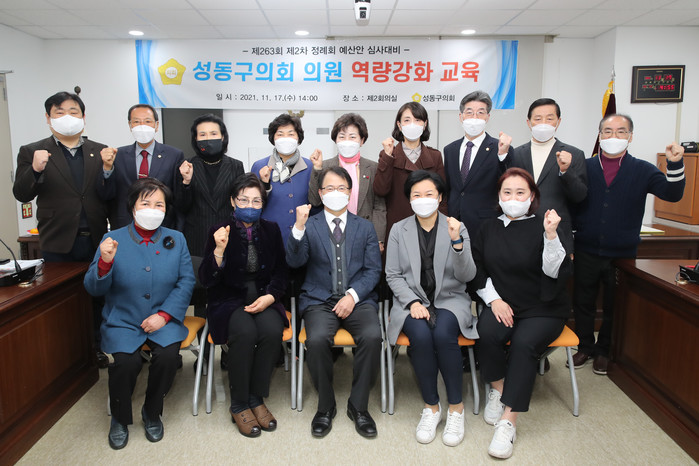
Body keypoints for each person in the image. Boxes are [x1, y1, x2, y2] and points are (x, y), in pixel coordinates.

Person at [83, 178, 195, 450]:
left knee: (167, 357)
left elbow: (186, 281)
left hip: (163, 317)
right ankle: (119, 419)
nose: (153, 209)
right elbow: (93, 288)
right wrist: (104, 263)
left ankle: (152, 412)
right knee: (125, 362)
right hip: (123, 318)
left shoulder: (176, 239)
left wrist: (164, 316)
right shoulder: (112, 239)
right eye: (146, 203)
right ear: (133, 207)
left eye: (159, 204)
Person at [571, 114, 685, 375]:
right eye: (608, 131)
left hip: (622, 254)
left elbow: (672, 194)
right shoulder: (584, 166)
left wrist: (675, 163)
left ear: (630, 137)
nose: (614, 137)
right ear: (600, 135)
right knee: (582, 302)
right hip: (586, 249)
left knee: (615, 305)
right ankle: (585, 347)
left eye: (621, 132)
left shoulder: (643, 169)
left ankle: (604, 351)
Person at [471, 167, 571, 459]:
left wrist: (551, 236)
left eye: (520, 193)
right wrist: (494, 300)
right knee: (487, 332)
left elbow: (554, 271)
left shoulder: (546, 225)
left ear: (532, 196)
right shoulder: (487, 228)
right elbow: (477, 270)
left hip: (543, 307)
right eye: (507, 192)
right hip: (503, 303)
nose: (513, 198)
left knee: (524, 343)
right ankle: (500, 389)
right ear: (498, 196)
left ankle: (509, 421)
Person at [13, 91, 109, 366]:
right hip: (58, 239)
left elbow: (108, 193)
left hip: (95, 237)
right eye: (59, 112)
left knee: (97, 296)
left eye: (73, 111)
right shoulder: (32, 151)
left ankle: (96, 347)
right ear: (48, 118)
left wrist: (108, 170)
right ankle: (66, 353)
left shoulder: (99, 150)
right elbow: (21, 194)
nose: (67, 117)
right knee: (62, 299)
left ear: (83, 117)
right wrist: (35, 169)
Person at [286, 166, 382, 439]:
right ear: (320, 193)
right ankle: (325, 406)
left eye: (341, 188)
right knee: (316, 340)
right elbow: (294, 262)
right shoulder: (309, 224)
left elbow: (373, 270)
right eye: (329, 188)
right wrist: (298, 227)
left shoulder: (365, 227)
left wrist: (353, 296)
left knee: (373, 336)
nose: (336, 193)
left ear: (350, 193)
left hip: (358, 300)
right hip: (319, 300)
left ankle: (358, 406)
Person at [385, 170, 477, 447]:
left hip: (449, 299)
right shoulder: (398, 230)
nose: (423, 199)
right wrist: (412, 302)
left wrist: (457, 243)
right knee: (421, 337)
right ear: (409, 199)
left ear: (439, 197)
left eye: (429, 194)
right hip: (410, 301)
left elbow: (467, 276)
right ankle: (431, 407)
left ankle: (456, 409)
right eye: (417, 195)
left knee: (444, 335)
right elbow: (392, 274)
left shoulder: (456, 227)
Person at [198, 174, 288, 438]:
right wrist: (218, 251)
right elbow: (206, 279)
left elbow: (281, 272)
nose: (250, 205)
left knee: (272, 331)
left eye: (256, 200)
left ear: (263, 204)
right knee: (246, 333)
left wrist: (271, 296)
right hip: (227, 300)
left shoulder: (271, 229)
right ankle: (238, 403)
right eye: (244, 200)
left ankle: (256, 397)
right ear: (232, 201)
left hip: (263, 296)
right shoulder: (219, 230)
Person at [504, 98, 587, 248]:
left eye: (549, 119)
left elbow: (579, 196)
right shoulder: (516, 154)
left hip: (557, 233)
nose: (543, 123)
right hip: (520, 232)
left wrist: (565, 171)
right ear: (529, 122)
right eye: (538, 119)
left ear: (558, 122)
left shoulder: (573, 154)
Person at [96, 103, 185, 230]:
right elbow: (107, 194)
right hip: (125, 225)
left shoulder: (174, 155)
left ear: (156, 125)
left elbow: (178, 198)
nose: (142, 126)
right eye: (137, 122)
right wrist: (107, 168)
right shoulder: (117, 155)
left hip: (162, 224)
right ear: (130, 125)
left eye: (147, 121)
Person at [308, 113, 386, 250]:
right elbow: (315, 201)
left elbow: (379, 206)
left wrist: (378, 238)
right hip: (332, 231)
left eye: (352, 137)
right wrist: (317, 169)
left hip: (364, 233)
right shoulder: (325, 166)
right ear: (335, 140)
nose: (347, 141)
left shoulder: (373, 168)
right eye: (342, 137)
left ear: (362, 140)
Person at [373, 102, 447, 244]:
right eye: (407, 120)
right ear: (399, 125)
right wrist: (387, 157)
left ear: (425, 124)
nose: (412, 124)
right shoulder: (388, 154)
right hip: (396, 224)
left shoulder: (435, 156)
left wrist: (443, 226)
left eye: (417, 120)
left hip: (429, 225)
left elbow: (442, 197)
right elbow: (380, 190)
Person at [443, 90, 512, 239]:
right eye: (469, 112)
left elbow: (507, 183)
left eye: (480, 113)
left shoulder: (500, 148)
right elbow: (449, 188)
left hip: (486, 224)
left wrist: (503, 155)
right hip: (454, 223)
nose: (475, 117)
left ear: (487, 117)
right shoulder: (450, 150)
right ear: (461, 117)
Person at [174, 113, 245, 257]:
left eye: (213, 133)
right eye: (202, 135)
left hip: (228, 235)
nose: (208, 139)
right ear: (195, 139)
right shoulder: (186, 166)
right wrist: (186, 182)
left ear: (222, 137)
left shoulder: (236, 166)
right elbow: (181, 207)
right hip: (197, 238)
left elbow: (240, 203)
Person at [252, 113, 315, 245]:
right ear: (273, 138)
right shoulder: (260, 166)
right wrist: (264, 184)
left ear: (298, 138)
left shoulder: (310, 166)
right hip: (269, 238)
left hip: (302, 238)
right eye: (280, 134)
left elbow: (316, 204)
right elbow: (253, 205)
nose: (285, 138)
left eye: (291, 134)